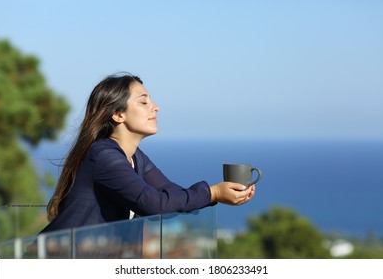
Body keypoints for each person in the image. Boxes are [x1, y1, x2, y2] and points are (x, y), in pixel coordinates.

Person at [39, 73, 255, 234]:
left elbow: (171, 195)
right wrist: (213, 193)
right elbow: (154, 204)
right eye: (144, 101)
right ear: (118, 114)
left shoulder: (135, 157)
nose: (156, 107)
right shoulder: (103, 155)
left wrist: (223, 193)